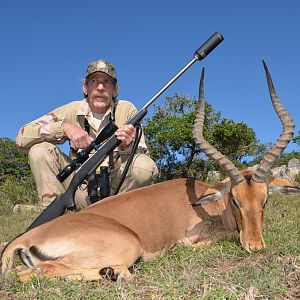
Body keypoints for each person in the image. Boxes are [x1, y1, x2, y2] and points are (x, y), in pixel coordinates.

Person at [16, 59, 158, 208]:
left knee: (144, 165)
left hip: (115, 190)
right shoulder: (72, 109)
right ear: (85, 88)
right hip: (79, 188)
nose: (100, 87)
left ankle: (121, 216)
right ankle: (55, 216)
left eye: (107, 82)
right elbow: (21, 137)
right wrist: (64, 128)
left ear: (115, 89)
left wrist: (126, 146)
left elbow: (143, 155)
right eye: (94, 81)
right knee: (39, 151)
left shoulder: (127, 109)